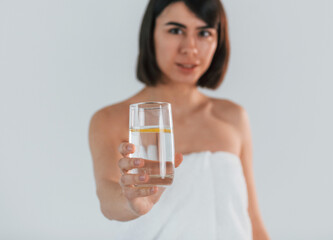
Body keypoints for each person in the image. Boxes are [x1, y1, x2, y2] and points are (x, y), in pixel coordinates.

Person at [89, 0, 270, 239]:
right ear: (150, 32)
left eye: (204, 33)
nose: (190, 48)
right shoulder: (111, 120)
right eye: (175, 30)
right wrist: (131, 201)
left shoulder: (233, 117)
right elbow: (107, 199)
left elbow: (251, 221)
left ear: (219, 40)